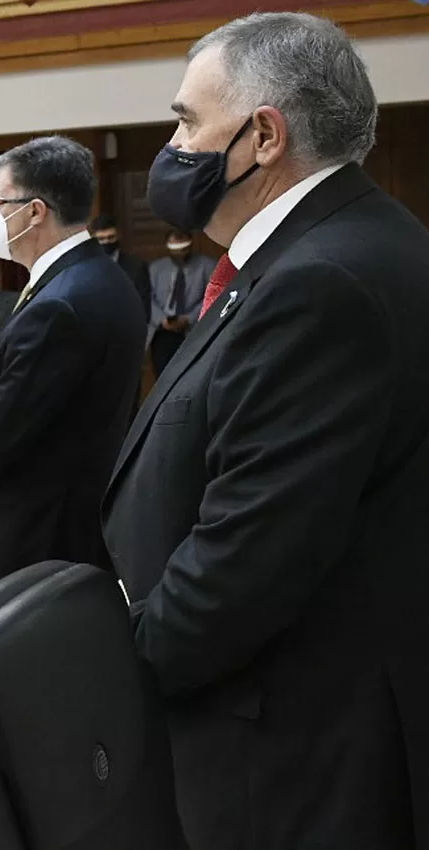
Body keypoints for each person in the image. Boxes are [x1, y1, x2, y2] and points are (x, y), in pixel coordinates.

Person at [104, 13, 429, 849]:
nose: (171, 146)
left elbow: (247, 562)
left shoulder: (319, 282)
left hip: (288, 745)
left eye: (185, 121)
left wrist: (119, 677)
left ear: (262, 135)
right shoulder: (342, 244)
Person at [0, 135, 144, 586]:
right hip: (80, 514)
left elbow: (6, 422)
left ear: (34, 211)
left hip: (38, 533)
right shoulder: (100, 276)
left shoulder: (61, 303)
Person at [146, 229, 216, 377]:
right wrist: (161, 319)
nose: (179, 253)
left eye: (183, 248)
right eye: (175, 249)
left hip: (194, 330)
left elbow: (212, 296)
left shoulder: (208, 265)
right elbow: (148, 297)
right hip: (162, 332)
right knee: (162, 376)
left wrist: (189, 318)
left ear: (190, 245)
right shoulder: (155, 268)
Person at [89, 213, 151, 311]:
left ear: (119, 235)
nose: (107, 242)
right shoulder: (84, 268)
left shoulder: (137, 267)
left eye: (111, 237)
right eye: (101, 239)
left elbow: (144, 307)